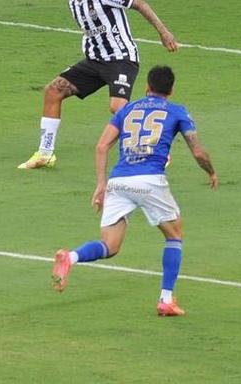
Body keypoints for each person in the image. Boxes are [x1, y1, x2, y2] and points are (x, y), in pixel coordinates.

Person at [51, 66, 218, 317]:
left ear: (147, 87)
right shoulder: (177, 111)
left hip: (119, 182)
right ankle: (166, 300)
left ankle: (71, 257)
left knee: (111, 245)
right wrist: (211, 172)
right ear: (171, 90)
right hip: (150, 181)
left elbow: (102, 146)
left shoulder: (127, 109)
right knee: (174, 235)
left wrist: (101, 184)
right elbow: (197, 151)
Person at [19, 0, 178, 169]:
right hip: (94, 63)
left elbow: (140, 4)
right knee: (53, 91)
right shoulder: (73, 3)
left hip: (121, 59)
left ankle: (155, 150)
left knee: (117, 107)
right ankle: (45, 154)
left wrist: (163, 32)